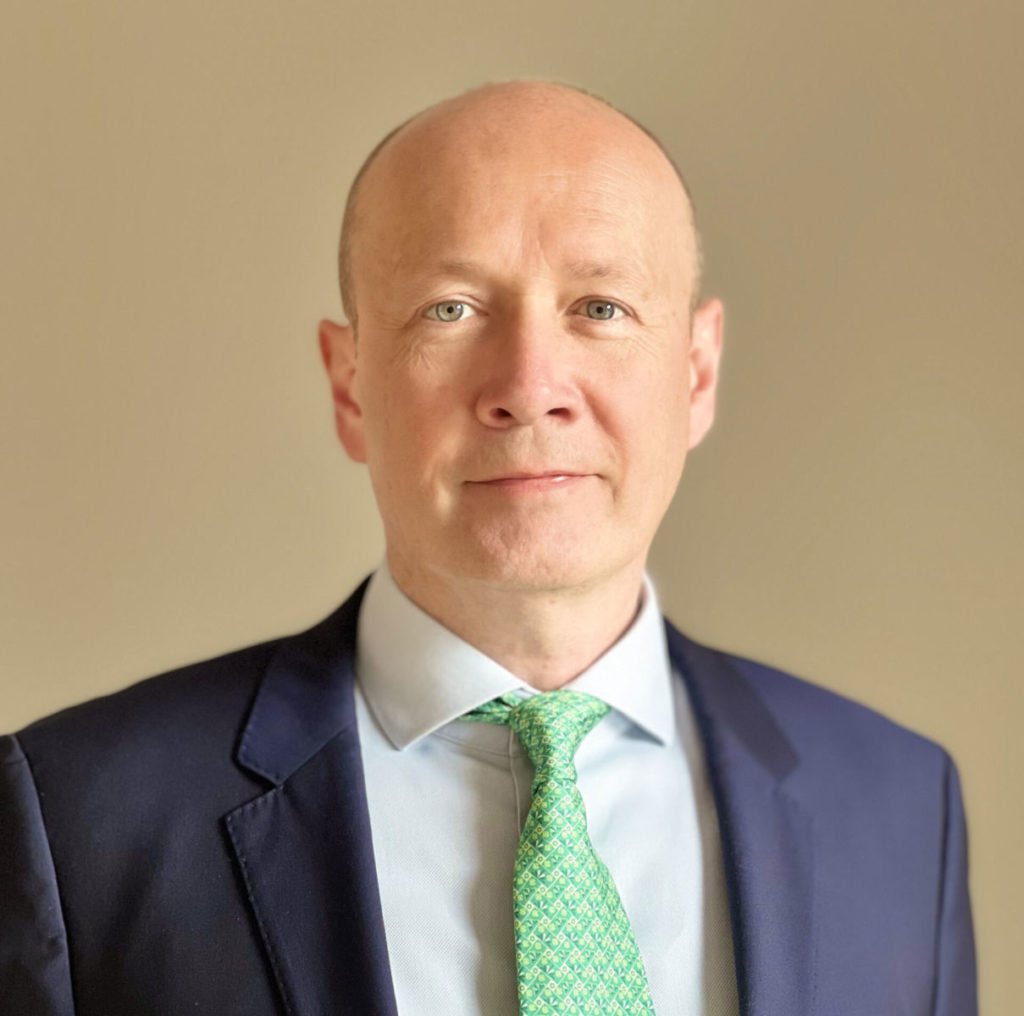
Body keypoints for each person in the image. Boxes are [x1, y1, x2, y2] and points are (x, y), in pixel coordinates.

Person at [0, 81, 976, 1015]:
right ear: (349, 385)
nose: (529, 383)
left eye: (600, 308)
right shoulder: (81, 818)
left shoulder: (898, 805)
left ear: (696, 371)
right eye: (451, 309)